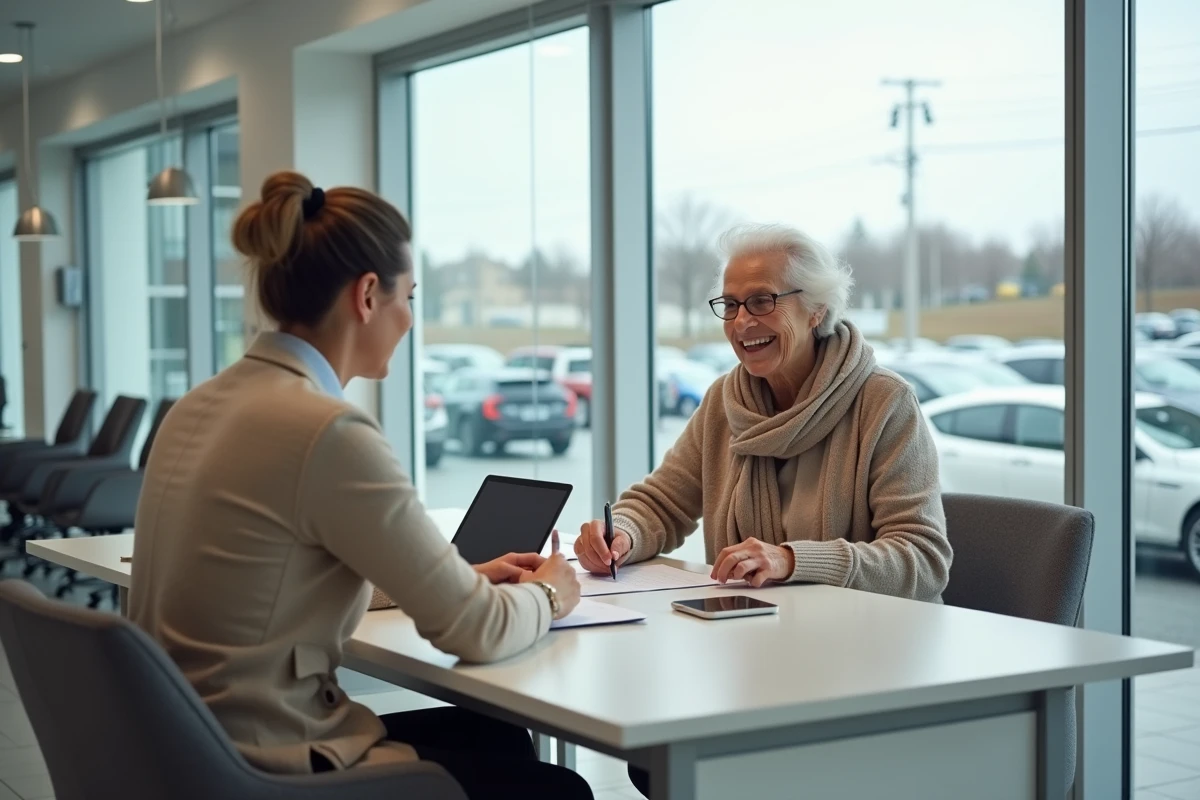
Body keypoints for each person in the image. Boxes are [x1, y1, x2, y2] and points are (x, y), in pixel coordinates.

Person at [129, 171, 591, 800]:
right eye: (411, 296)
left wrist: (463, 578)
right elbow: (475, 633)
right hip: (268, 764)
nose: (409, 319)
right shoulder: (327, 430)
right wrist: (551, 595)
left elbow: (277, 571)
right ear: (368, 295)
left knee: (499, 737)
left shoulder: (201, 404)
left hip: (183, 747)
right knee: (556, 791)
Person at [579, 223, 951, 796]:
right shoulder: (728, 403)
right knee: (656, 756)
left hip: (863, 672)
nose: (741, 322)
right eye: (729, 305)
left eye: (762, 301)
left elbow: (922, 558)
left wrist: (789, 559)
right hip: (752, 664)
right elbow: (662, 501)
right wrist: (623, 533)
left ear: (816, 309)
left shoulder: (885, 403)